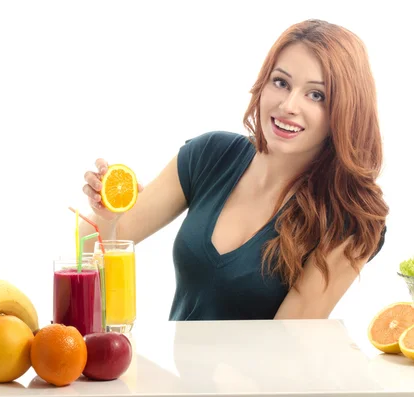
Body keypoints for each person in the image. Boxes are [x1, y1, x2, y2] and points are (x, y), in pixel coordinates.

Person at [79, 19, 389, 321]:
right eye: (281, 82)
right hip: (176, 373)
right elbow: (91, 251)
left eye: (316, 95)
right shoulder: (210, 155)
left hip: (261, 374)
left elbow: (288, 345)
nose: (289, 105)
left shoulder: (349, 220)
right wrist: (108, 216)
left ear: (346, 109)